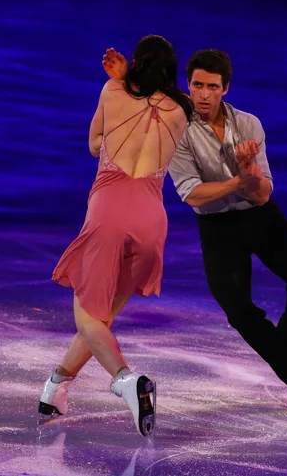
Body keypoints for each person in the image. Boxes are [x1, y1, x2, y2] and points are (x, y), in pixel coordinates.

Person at [102, 48, 287, 412]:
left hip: (260, 217)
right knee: (238, 311)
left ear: (225, 88)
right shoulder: (177, 127)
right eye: (197, 85)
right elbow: (193, 194)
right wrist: (238, 179)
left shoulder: (250, 125)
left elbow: (261, 196)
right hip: (217, 227)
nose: (203, 94)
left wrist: (251, 177)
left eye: (211, 86)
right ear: (188, 85)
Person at [39, 35, 193, 437]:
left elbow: (94, 145)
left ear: (137, 62)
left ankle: (126, 380)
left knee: (88, 319)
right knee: (101, 320)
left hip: (109, 210)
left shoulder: (112, 90)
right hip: (151, 220)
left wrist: (121, 83)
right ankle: (55, 388)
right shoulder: (182, 110)